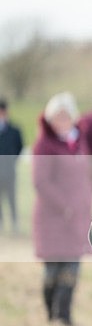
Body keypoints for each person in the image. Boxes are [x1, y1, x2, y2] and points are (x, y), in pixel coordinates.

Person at [32, 92, 92, 326]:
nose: (62, 121)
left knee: (72, 269)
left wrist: (85, 204)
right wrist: (63, 206)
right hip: (53, 219)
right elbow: (41, 182)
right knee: (53, 272)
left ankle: (64, 317)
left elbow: (84, 177)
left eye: (66, 116)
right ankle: (51, 315)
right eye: (57, 117)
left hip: (77, 218)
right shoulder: (43, 145)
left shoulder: (79, 141)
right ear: (49, 119)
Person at [0, 97, 24, 234]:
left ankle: (15, 223)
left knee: (11, 198)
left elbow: (19, 147)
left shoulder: (14, 131)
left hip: (9, 171)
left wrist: (12, 160)